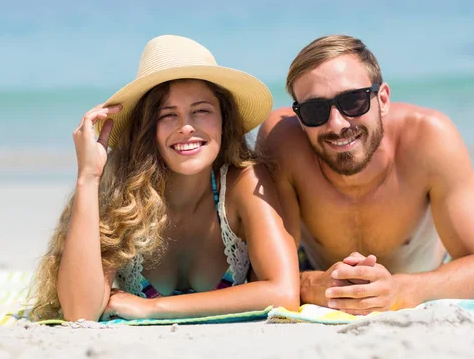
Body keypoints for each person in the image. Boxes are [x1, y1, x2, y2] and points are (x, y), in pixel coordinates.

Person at [30, 35, 299, 321]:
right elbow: (79, 312)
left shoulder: (243, 182)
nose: (186, 127)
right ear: (148, 129)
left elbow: (283, 294)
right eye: (168, 115)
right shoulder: (122, 192)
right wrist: (88, 177)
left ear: (224, 119)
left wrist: (151, 308)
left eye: (201, 111)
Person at [256, 35, 474, 315]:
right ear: (300, 117)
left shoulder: (429, 137)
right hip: (318, 270)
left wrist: (400, 290)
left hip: (422, 273)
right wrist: (315, 284)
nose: (337, 124)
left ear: (383, 99)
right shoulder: (283, 143)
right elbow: (268, 273)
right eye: (315, 110)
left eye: (353, 101)